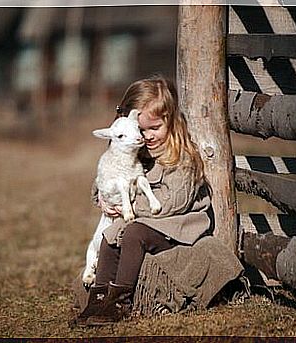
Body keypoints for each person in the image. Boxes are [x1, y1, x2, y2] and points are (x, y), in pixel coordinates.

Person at [73, 76, 240, 327]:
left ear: (170, 121)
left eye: (154, 128)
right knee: (110, 236)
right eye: (141, 130)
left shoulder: (182, 158)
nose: (147, 136)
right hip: (143, 221)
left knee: (133, 233)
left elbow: (173, 202)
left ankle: (121, 300)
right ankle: (98, 300)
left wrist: (128, 207)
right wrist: (103, 199)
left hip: (176, 226)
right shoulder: (134, 151)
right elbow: (106, 176)